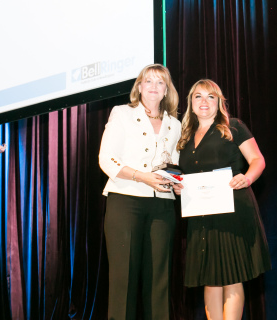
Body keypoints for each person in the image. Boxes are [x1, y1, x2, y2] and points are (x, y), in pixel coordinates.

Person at [173, 79, 271, 320]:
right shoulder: (184, 137)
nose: (204, 102)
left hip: (233, 210)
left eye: (210, 97)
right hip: (200, 214)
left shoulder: (233, 127)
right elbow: (186, 176)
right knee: (210, 277)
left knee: (231, 275)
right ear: (191, 103)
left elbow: (258, 160)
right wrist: (179, 187)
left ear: (219, 102)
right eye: (198, 96)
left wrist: (247, 179)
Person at [99, 64, 181, 320]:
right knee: (123, 279)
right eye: (149, 81)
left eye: (160, 82)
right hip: (125, 201)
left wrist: (178, 184)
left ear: (167, 90)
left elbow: (174, 164)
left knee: (159, 280)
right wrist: (142, 176)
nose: (154, 87)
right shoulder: (122, 113)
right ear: (139, 87)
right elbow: (106, 158)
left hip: (163, 204)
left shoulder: (175, 124)